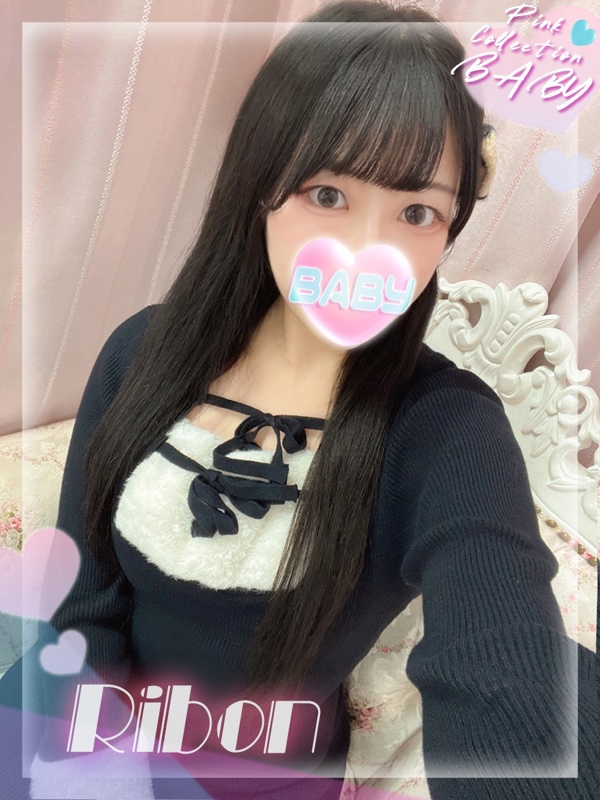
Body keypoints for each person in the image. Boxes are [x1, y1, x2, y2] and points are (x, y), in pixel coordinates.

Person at [0, 2, 596, 799]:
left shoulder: (445, 429)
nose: (365, 251)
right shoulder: (141, 352)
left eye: (417, 212)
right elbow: (86, 601)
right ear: (264, 183)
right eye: (327, 194)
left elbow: (509, 663)